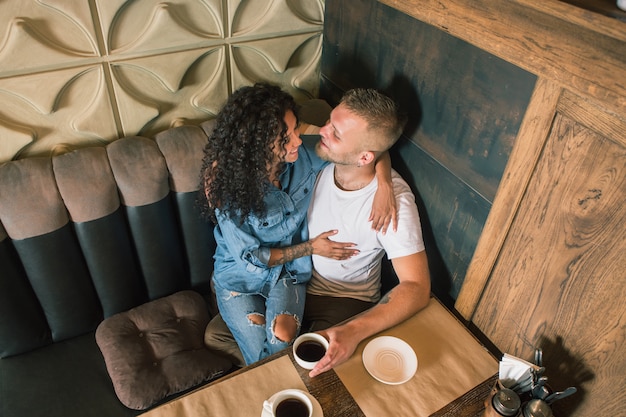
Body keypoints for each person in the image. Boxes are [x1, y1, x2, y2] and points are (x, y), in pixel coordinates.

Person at [198, 83, 396, 365]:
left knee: (281, 341)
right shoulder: (228, 190)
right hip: (239, 278)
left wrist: (385, 183)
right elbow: (253, 258)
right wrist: (312, 248)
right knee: (263, 359)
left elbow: (369, 146)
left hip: (288, 274)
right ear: (257, 146)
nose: (298, 140)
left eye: (296, 129)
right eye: (286, 137)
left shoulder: (304, 156)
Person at [304, 88, 431, 377]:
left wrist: (353, 331)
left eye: (335, 132)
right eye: (329, 121)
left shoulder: (394, 202)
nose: (322, 130)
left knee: (308, 367)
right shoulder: (325, 154)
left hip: (344, 300)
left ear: (364, 157)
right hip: (295, 280)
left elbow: (417, 287)